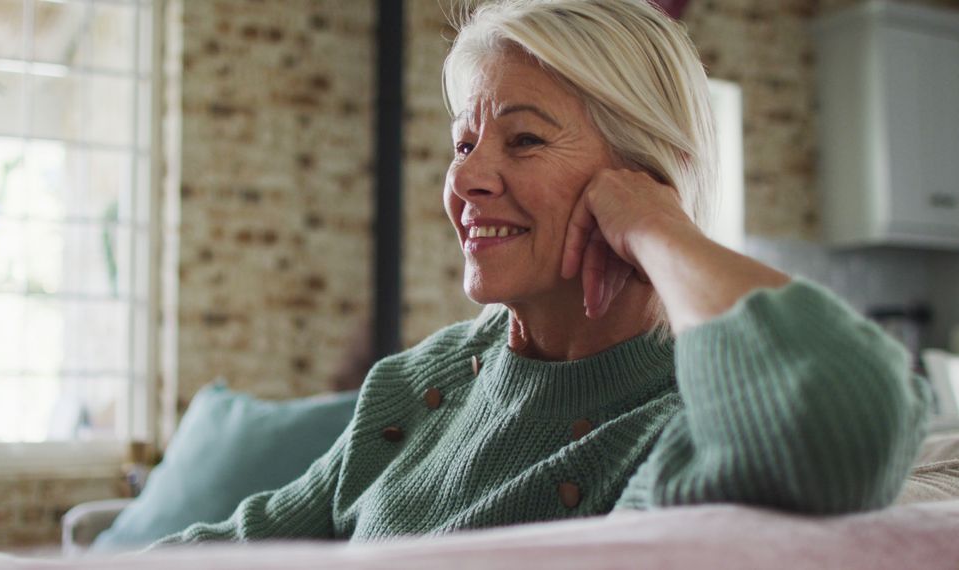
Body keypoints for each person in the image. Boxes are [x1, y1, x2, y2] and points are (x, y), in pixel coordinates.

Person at [155, 0, 932, 545]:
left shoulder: (672, 422)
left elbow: (845, 424)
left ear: (644, 173)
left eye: (523, 142)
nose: (465, 181)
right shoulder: (422, 384)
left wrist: (658, 227)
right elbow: (251, 538)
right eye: (464, 145)